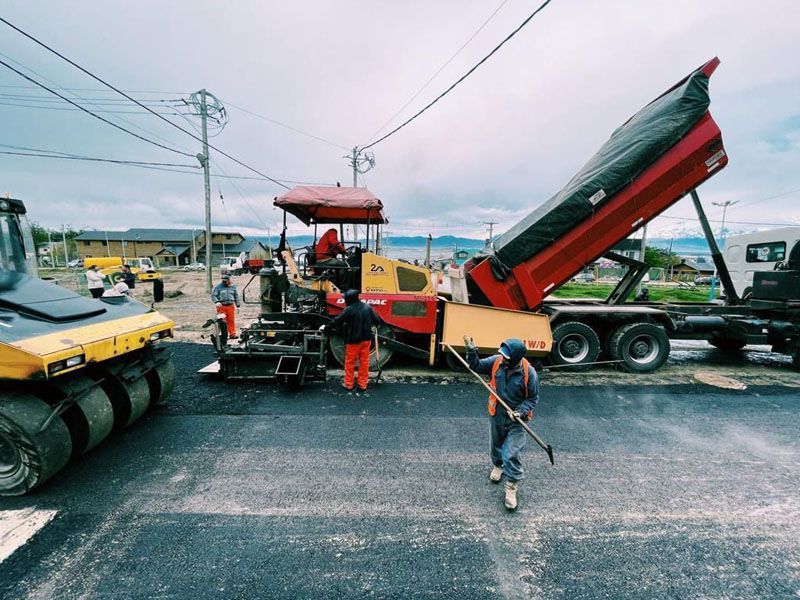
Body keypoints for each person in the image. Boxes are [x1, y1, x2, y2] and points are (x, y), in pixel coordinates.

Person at [466, 337, 539, 511]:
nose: (502, 357)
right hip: (497, 413)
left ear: (515, 358)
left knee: (512, 453)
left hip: (517, 419)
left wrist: (519, 412)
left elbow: (533, 398)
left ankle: (511, 488)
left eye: (506, 356)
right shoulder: (497, 361)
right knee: (496, 445)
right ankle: (498, 465)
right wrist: (471, 352)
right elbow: (476, 366)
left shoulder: (529, 373)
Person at [319, 289, 385, 392]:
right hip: (367, 340)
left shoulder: (349, 309)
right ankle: (363, 385)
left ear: (349, 299)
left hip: (353, 341)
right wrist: (374, 326)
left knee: (350, 363)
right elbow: (377, 321)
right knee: (364, 362)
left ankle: (349, 384)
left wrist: (325, 327)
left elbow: (337, 320)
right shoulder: (368, 307)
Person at [211, 274, 241, 338]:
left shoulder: (233, 287)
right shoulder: (218, 287)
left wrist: (238, 306)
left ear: (229, 280)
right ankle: (223, 335)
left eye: (226, 281)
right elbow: (214, 296)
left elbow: (236, 296)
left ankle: (232, 334)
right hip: (221, 307)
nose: (224, 282)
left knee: (231, 320)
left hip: (230, 306)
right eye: (223, 281)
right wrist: (216, 302)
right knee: (222, 321)